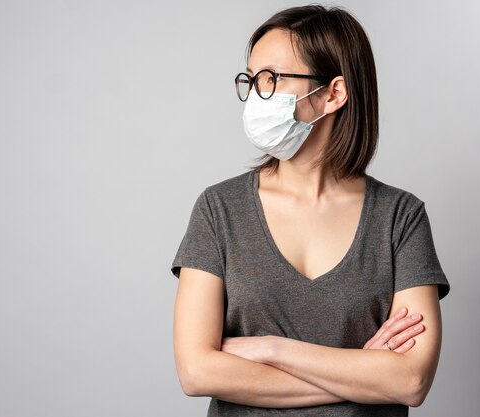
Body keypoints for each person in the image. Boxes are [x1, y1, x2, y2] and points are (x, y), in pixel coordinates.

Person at [170, 5, 450, 417]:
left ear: (334, 93)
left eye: (273, 79)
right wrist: (363, 375)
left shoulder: (399, 217)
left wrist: (271, 348)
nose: (256, 94)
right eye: (252, 79)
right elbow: (196, 371)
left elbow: (410, 381)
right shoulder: (219, 209)